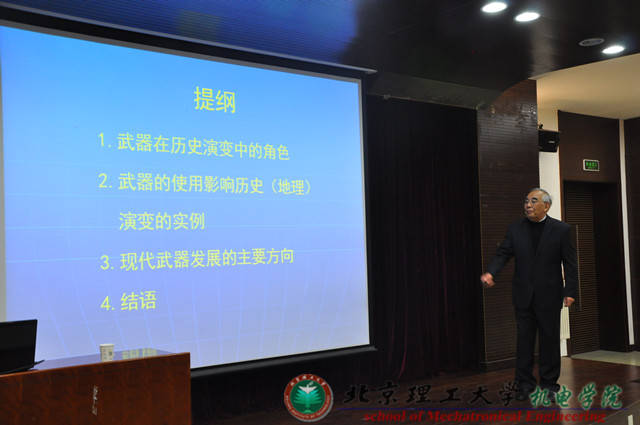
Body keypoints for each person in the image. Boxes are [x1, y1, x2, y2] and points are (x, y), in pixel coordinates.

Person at [480, 188, 578, 403]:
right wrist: (491, 272)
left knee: (549, 341)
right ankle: (524, 385)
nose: (528, 205)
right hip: (523, 294)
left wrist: (570, 291)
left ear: (546, 206)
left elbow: (570, 262)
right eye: (526, 201)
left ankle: (549, 385)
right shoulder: (515, 228)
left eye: (534, 201)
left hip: (550, 294)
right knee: (524, 342)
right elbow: (503, 253)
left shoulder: (561, 229)